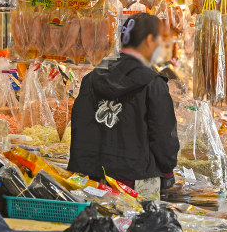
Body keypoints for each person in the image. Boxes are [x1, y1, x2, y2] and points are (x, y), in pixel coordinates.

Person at [69, 13, 179, 199]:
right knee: (136, 227)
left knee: (95, 226)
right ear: (150, 40)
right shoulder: (153, 83)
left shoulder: (92, 78)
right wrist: (167, 170)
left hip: (92, 181)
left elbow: (78, 127)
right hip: (136, 182)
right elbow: (163, 136)